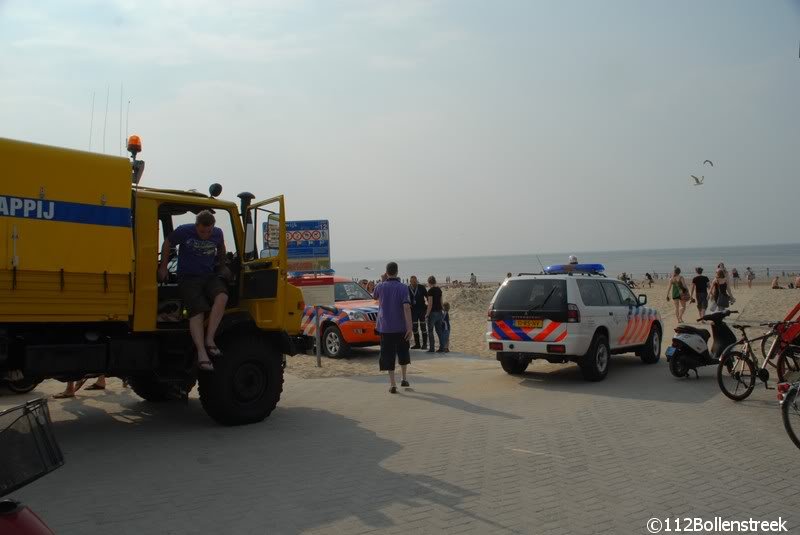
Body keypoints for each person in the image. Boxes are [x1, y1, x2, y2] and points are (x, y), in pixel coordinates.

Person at [158, 210, 228, 372]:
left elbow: (221, 247)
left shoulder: (217, 233)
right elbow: (168, 242)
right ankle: (202, 353)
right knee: (197, 311)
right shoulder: (185, 230)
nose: (206, 234)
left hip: (209, 276)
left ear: (213, 227)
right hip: (188, 278)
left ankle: (209, 339)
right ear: (196, 226)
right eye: (202, 231)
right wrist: (163, 267)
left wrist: (223, 266)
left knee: (222, 296)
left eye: (209, 231)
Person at [373, 262, 413, 394]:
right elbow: (406, 307)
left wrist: (382, 280)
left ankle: (392, 384)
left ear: (386, 272)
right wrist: (410, 326)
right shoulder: (403, 287)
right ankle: (404, 378)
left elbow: (375, 296)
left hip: (385, 327)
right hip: (401, 326)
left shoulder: (380, 286)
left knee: (388, 355)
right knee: (403, 352)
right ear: (397, 271)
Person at [408, 276, 429, 349]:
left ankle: (425, 344)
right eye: (412, 282)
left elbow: (427, 297)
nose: (414, 283)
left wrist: (428, 306)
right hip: (413, 311)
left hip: (422, 310)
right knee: (415, 328)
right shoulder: (408, 288)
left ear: (417, 281)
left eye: (415, 281)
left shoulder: (421, 287)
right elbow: (406, 299)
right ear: (410, 282)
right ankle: (417, 344)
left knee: (423, 327)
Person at [426, 275, 446, 353]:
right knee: (439, 331)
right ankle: (442, 347)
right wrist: (443, 310)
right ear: (435, 281)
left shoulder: (430, 291)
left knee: (430, 331)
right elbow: (441, 302)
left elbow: (430, 304)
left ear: (429, 282)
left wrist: (427, 314)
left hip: (432, 313)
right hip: (439, 312)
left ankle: (432, 348)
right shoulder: (439, 290)